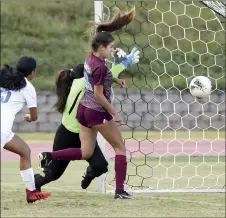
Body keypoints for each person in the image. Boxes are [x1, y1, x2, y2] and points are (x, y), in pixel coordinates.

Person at [39, 8, 138, 199]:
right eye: (111, 47)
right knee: (120, 148)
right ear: (101, 47)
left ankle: (49, 155)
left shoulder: (90, 58)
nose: (113, 50)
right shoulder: (100, 66)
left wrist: (116, 80)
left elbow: (96, 77)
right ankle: (120, 191)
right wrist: (114, 113)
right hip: (96, 111)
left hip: (83, 111)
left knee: (86, 152)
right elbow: (99, 95)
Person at [0, 56, 51, 203]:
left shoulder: (5, 78)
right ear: (32, 72)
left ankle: (31, 192)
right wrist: (29, 117)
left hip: (4, 131)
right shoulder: (27, 87)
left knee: (24, 151)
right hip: (1, 130)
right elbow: (34, 116)